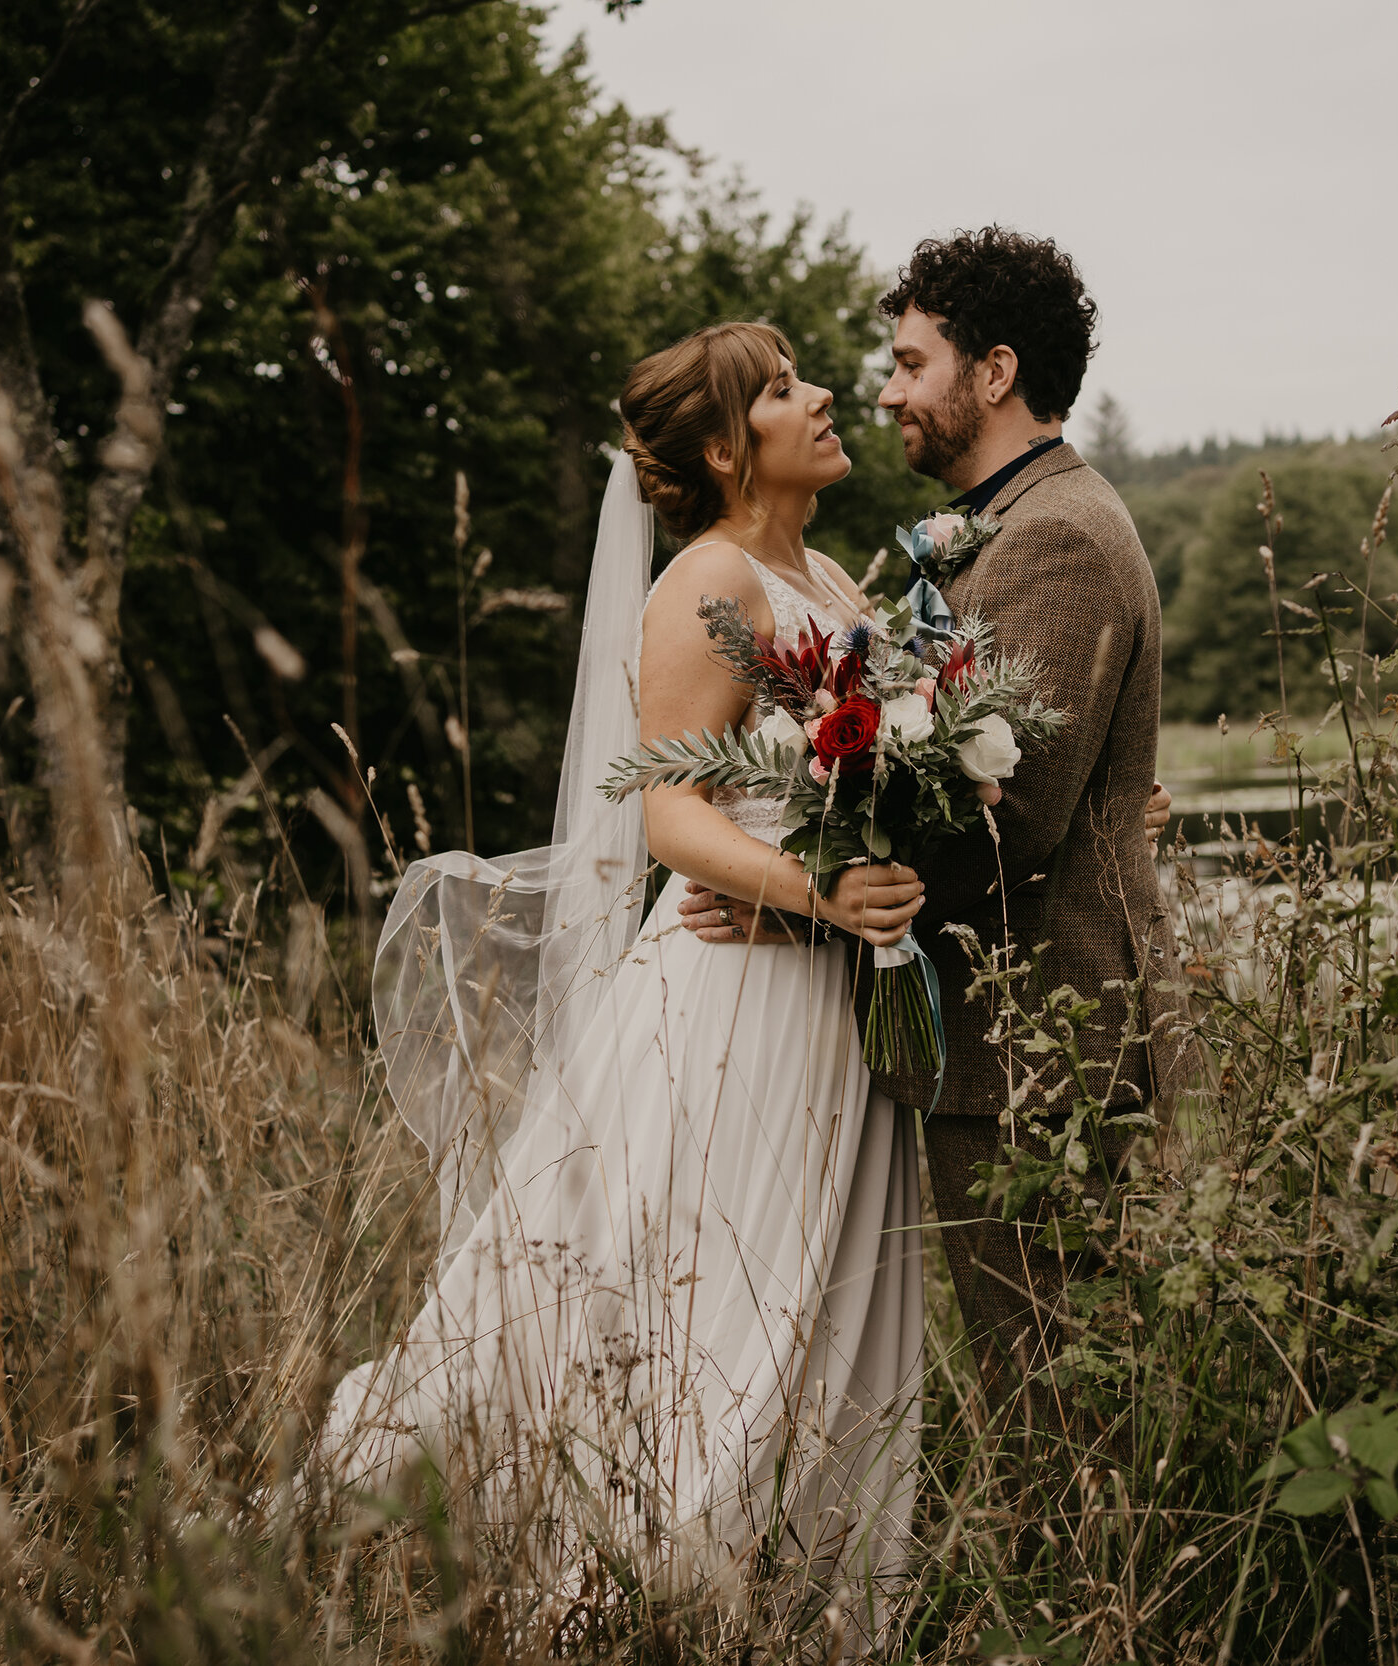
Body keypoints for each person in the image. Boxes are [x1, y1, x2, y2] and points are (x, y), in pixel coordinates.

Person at [320, 323, 929, 1627]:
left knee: (816, 1306)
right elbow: (674, 816)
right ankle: (627, 1598)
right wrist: (821, 889)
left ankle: (788, 1602)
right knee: (714, 1303)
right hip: (737, 1007)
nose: (822, 396)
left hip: (830, 1001)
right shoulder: (707, 582)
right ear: (722, 448)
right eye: (781, 389)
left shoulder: (821, 568)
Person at [680, 228, 1189, 1434]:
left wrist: (792, 905)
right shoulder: (991, 526)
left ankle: (1091, 1620)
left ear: (995, 372)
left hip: (1040, 1043)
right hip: (1012, 1041)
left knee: (1062, 1410)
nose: (888, 390)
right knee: (1049, 1389)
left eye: (910, 364)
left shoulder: (1054, 534)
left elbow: (1001, 827)